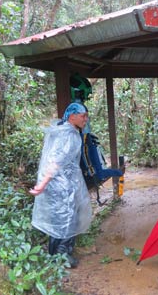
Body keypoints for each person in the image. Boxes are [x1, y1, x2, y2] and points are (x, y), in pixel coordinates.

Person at [30, 102, 93, 268]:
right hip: (63, 185)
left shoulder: (61, 130)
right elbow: (56, 161)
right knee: (68, 218)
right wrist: (42, 184)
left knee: (57, 218)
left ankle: (53, 253)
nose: (85, 119)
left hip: (56, 184)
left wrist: (44, 182)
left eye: (86, 116)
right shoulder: (69, 135)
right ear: (72, 116)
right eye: (83, 116)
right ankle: (62, 256)